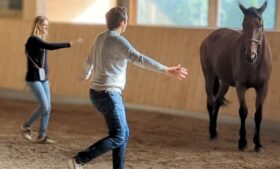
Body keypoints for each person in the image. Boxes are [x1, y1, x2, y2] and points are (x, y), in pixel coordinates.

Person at [67, 7, 188, 169]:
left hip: (97, 93)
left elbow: (89, 60)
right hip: (109, 94)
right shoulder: (117, 40)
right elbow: (139, 58)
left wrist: (85, 75)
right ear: (123, 22)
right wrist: (165, 69)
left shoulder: (100, 37)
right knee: (119, 135)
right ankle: (79, 160)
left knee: (123, 133)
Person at [20, 16, 82, 144]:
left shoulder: (40, 39)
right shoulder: (33, 39)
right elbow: (50, 46)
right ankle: (26, 126)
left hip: (43, 78)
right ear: (38, 25)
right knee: (44, 106)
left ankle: (42, 136)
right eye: (44, 25)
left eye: (47, 25)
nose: (47, 27)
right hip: (33, 78)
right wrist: (69, 44)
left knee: (48, 108)